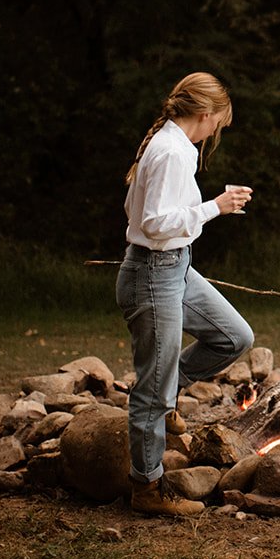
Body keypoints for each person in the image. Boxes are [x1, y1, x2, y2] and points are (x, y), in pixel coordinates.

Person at [116, 72, 255, 517]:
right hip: (153, 274)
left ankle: (169, 392)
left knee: (234, 337)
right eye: (219, 122)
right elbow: (155, 223)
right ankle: (147, 487)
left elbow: (142, 212)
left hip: (176, 267)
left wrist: (213, 204)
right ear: (205, 114)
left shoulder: (173, 146)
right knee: (150, 391)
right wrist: (216, 206)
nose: (217, 131)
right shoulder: (172, 151)